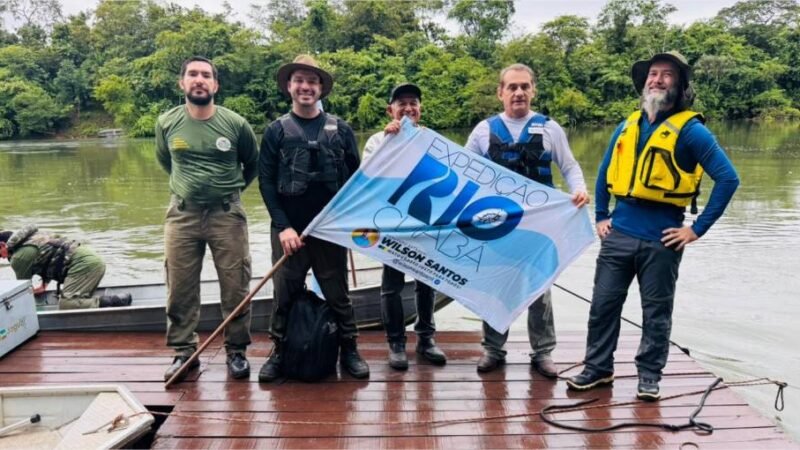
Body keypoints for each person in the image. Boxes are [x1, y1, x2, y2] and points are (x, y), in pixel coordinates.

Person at [566, 51, 740, 401]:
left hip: (663, 240)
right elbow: (603, 175)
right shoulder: (627, 125)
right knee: (603, 306)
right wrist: (601, 216)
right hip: (618, 236)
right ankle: (598, 368)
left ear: (679, 86)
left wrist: (696, 229)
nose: (657, 80)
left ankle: (649, 376)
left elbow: (728, 179)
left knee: (656, 313)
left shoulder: (692, 132)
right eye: (653, 74)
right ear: (644, 82)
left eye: (667, 75)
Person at [464, 63, 590, 377]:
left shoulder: (550, 128)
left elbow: (570, 167)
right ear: (500, 92)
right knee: (496, 285)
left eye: (524, 87)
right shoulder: (483, 130)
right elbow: (462, 171)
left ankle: (543, 352)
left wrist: (579, 190)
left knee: (539, 289)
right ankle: (493, 349)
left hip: (540, 226)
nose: (518, 93)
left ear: (532, 90)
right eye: (512, 87)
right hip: (498, 225)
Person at [257, 55, 368, 381]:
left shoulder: (342, 129)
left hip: (330, 230)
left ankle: (349, 348)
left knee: (337, 292)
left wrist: (346, 221)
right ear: (289, 87)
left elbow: (357, 179)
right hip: (290, 230)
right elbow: (265, 182)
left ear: (321, 88)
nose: (305, 87)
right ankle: (279, 350)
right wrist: (283, 226)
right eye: (299, 81)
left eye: (312, 81)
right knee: (285, 292)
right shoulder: (276, 131)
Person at [155, 56, 259, 382]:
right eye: (192, 74)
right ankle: (184, 352)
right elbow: (166, 162)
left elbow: (252, 164)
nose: (199, 80)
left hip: (227, 215)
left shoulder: (235, 124)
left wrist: (228, 191)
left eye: (205, 75)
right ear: (182, 83)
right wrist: (191, 189)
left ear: (215, 85)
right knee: (180, 287)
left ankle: (236, 351)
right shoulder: (167, 123)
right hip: (182, 215)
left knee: (236, 286)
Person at [362, 83, 448, 371]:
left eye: (414, 103)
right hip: (391, 224)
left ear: (420, 109)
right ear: (391, 110)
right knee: (391, 286)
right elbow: (367, 180)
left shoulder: (434, 141)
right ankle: (396, 342)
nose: (408, 108)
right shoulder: (376, 140)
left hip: (424, 222)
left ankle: (426, 338)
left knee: (427, 282)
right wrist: (389, 141)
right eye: (402, 103)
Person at [0, 225, 132, 309]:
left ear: (2, 245)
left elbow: (22, 291)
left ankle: (115, 301)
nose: (1, 258)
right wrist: (44, 285)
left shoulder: (18, 257)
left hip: (84, 266)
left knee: (67, 305)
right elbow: (50, 258)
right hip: (92, 261)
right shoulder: (32, 240)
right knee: (74, 299)